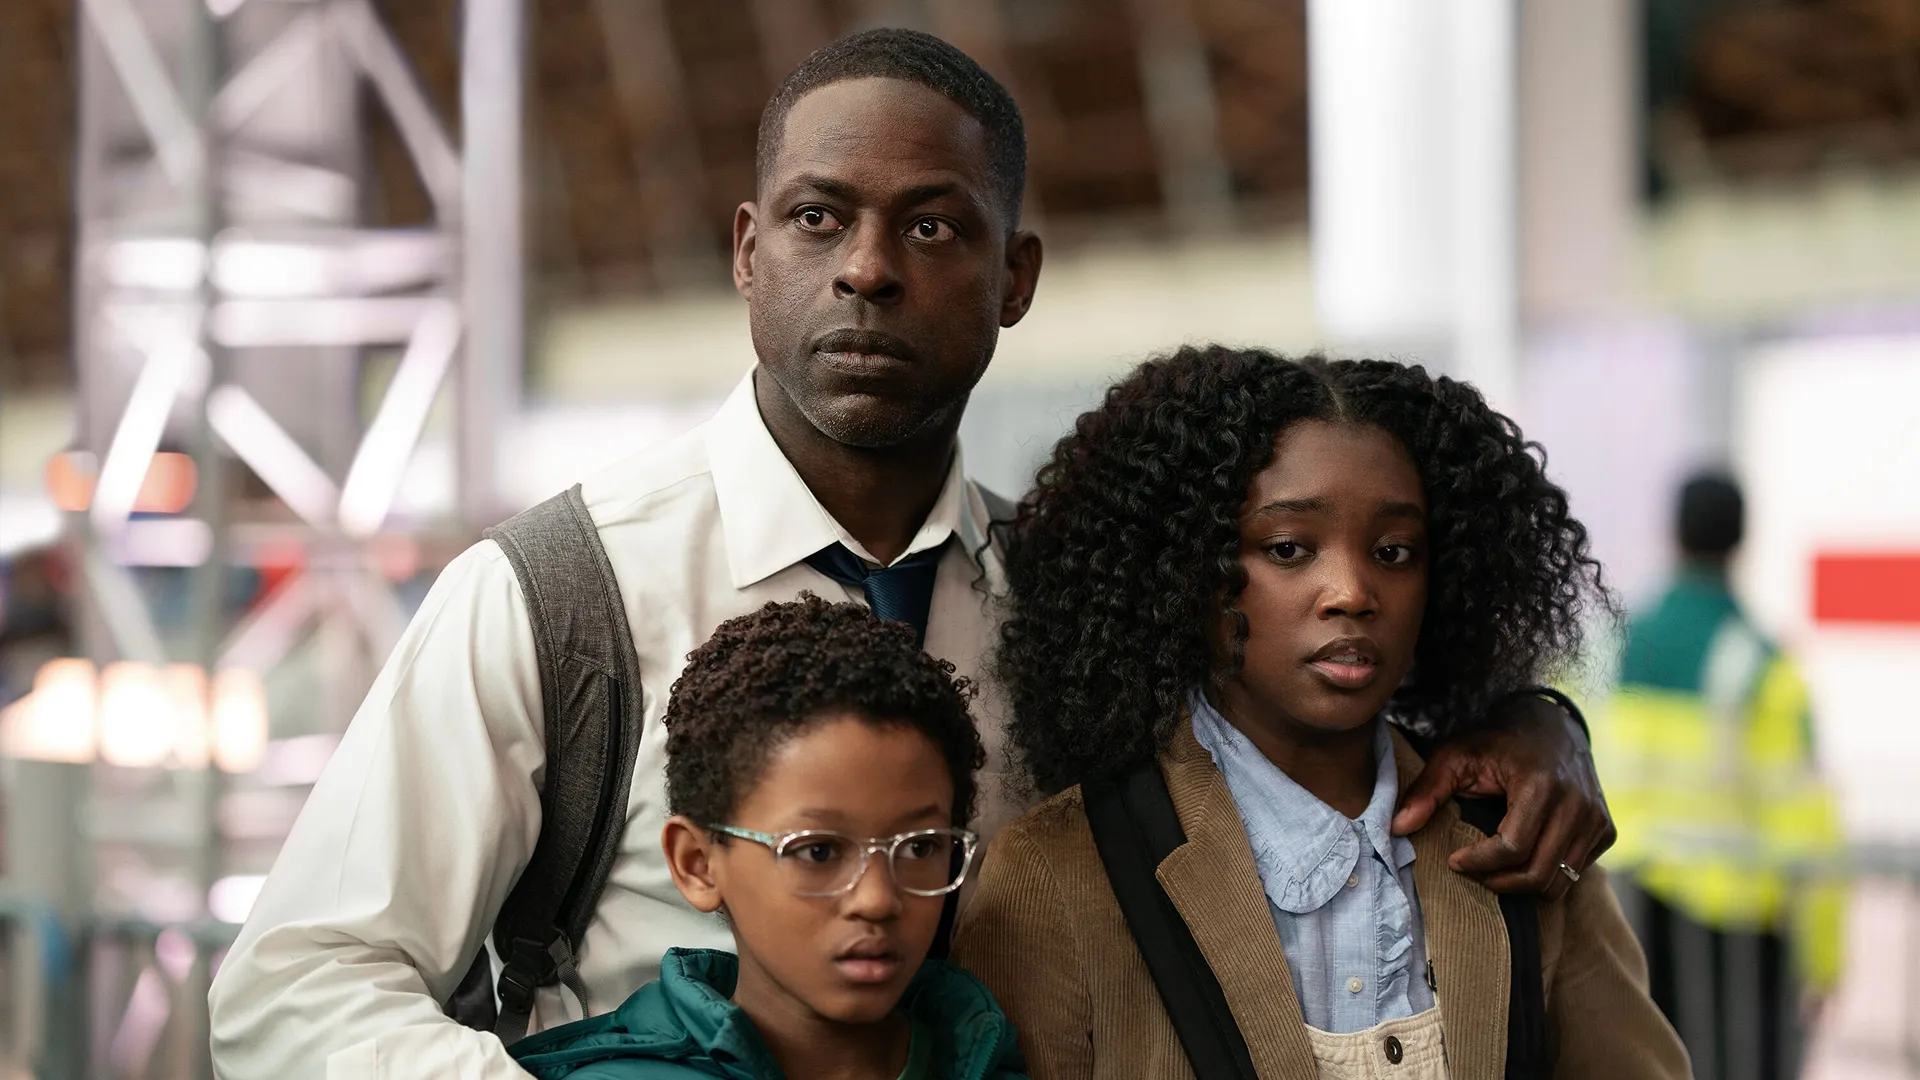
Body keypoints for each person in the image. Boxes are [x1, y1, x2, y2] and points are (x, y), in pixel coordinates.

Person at [210, 30, 1612, 1080]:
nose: (870, 269)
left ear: (1015, 278)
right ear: (751, 255)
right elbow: (294, 985)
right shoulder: (559, 595)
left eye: (932, 225)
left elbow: (1311, 711)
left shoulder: (1072, 594)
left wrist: (1529, 725)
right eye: (821, 219)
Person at [955, 348, 1689, 1079]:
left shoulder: (1521, 830)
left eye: (1395, 552)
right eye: (1288, 548)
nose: (1352, 591)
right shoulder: (1058, 871)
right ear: (1189, 575)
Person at [510, 596, 1024, 1079]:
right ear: (698, 864)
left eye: (919, 847)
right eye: (817, 851)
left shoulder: (987, 1055)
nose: (877, 900)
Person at [1593, 472, 1844, 1080]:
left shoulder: (1616, 647)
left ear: (1673, 534)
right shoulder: (1762, 666)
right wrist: (1826, 960)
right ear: (1742, 541)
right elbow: (1810, 826)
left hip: (1624, 920)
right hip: (1740, 942)